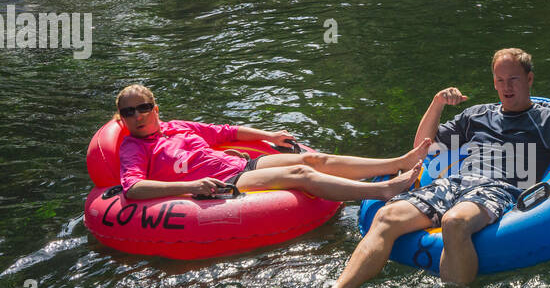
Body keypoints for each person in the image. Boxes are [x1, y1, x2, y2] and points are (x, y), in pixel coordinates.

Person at [295, 48, 550, 288]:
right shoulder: (476, 115)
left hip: (499, 188)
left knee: (454, 223)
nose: (506, 88)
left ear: (529, 79)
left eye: (513, 79)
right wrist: (437, 102)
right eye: (499, 80)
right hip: (455, 181)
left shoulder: (545, 119)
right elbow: (424, 146)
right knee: (386, 219)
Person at [113, 84, 427, 203]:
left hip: (241, 165)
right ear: (123, 118)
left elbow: (227, 132)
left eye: (142, 108)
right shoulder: (133, 147)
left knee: (312, 161)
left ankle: (397, 162)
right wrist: (192, 184)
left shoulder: (177, 126)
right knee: (302, 176)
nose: (137, 115)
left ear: (155, 109)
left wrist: (269, 137)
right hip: (224, 182)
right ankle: (383, 190)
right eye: (129, 112)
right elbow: (133, 189)